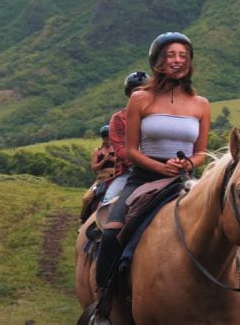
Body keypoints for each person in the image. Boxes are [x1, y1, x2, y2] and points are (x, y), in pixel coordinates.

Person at [92, 32, 211, 315]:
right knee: (111, 234)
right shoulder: (140, 99)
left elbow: (201, 153)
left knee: (223, 227)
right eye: (170, 55)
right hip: (144, 178)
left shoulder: (201, 104)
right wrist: (160, 167)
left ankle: (236, 299)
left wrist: (188, 164)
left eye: (183, 56)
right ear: (158, 61)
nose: (177, 60)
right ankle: (104, 304)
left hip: (184, 179)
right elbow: (131, 150)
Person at [100, 71, 150, 208]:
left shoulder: (158, 115)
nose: (141, 94)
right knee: (108, 201)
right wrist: (144, 162)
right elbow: (120, 149)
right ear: (129, 94)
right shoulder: (118, 118)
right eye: (136, 91)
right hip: (131, 170)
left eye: (145, 90)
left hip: (163, 166)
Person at [81, 125, 116, 223]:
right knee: (86, 198)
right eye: (106, 138)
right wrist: (104, 160)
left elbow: (124, 161)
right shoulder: (98, 151)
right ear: (103, 138)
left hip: (115, 177)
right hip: (101, 179)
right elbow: (94, 168)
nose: (108, 140)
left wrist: (112, 159)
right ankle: (83, 218)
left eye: (109, 137)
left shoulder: (117, 148)